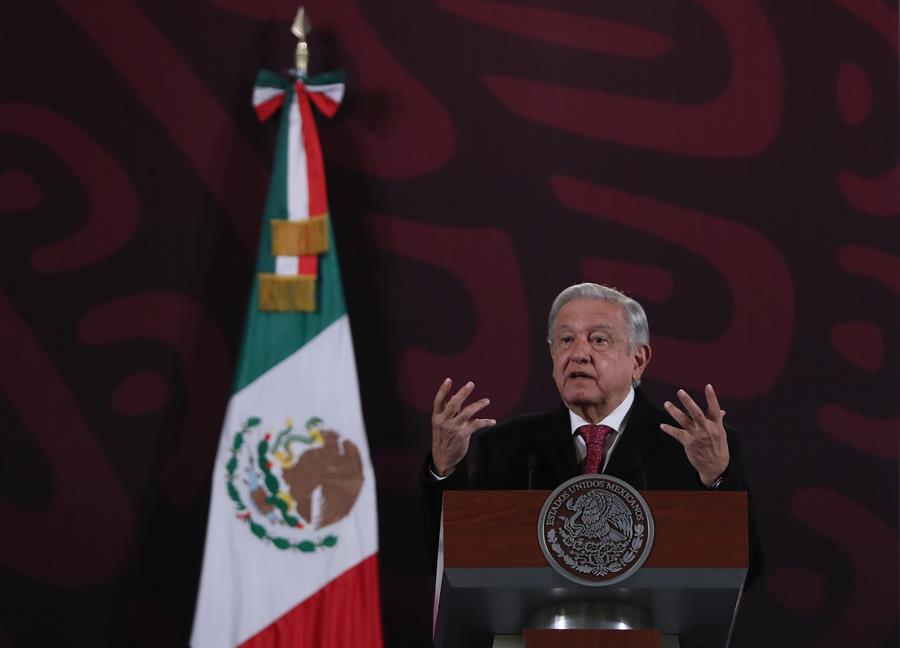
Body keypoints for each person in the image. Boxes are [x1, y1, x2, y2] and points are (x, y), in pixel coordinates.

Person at [421, 282, 760, 581]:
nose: (578, 354)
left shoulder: (691, 447)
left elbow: (747, 566)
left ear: (638, 360)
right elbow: (452, 561)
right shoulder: (507, 446)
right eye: (566, 339)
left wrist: (717, 477)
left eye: (598, 339)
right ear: (552, 355)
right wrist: (445, 471)